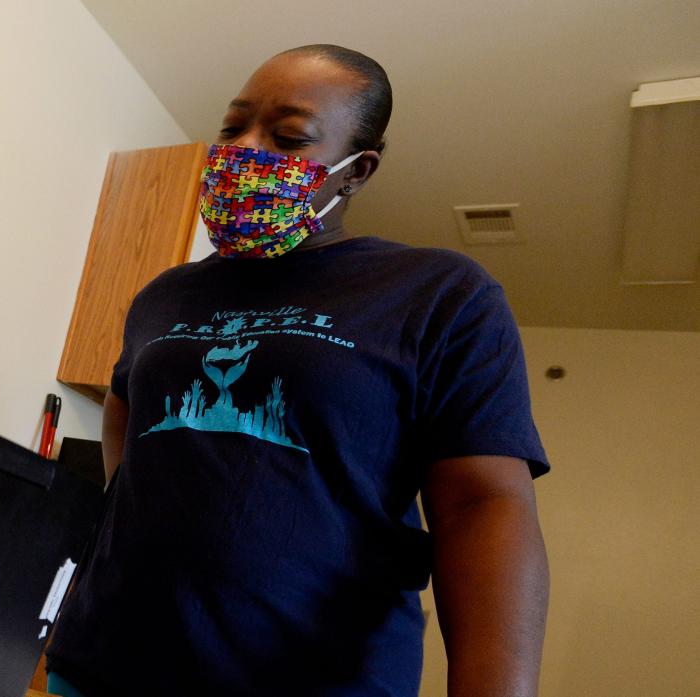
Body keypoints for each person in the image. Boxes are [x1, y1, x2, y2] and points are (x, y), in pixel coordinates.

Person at [44, 45, 550, 696]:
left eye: (287, 137)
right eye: (233, 128)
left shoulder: (439, 294)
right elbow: (124, 404)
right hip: (103, 664)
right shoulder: (165, 294)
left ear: (355, 171)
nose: (245, 149)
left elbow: (484, 505)